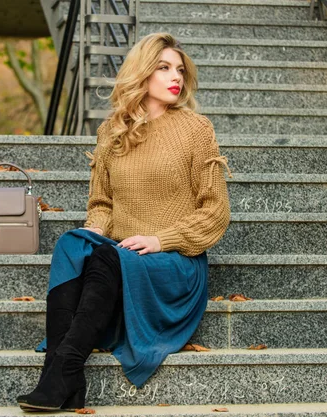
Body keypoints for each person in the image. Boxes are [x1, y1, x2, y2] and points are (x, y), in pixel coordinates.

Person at [16, 32, 232, 412]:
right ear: (142, 73)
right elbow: (102, 203)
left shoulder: (197, 130)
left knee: (109, 258)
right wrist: (95, 229)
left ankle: (63, 371)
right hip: (122, 256)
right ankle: (61, 374)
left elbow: (215, 212)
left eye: (179, 69)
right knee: (72, 243)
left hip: (174, 262)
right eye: (163, 67)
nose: (174, 77)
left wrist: (161, 239)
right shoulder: (111, 132)